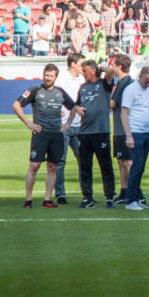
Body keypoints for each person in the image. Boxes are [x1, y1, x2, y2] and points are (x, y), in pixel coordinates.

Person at [13, 64, 78, 208]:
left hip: (56, 134)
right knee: (34, 165)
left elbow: (74, 107)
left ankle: (47, 200)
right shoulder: (35, 90)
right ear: (43, 75)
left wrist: (67, 123)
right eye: (46, 75)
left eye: (51, 76)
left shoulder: (60, 92)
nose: (48, 78)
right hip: (40, 134)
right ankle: (28, 199)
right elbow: (16, 105)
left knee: (52, 167)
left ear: (55, 77)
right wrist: (28, 123)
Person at [64, 60, 116, 209]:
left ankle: (109, 197)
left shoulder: (105, 84)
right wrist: (78, 109)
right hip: (84, 133)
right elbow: (77, 105)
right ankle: (87, 197)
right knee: (85, 167)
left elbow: (111, 71)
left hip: (101, 132)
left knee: (105, 166)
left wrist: (100, 67)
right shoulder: (83, 87)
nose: (83, 73)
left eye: (85, 70)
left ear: (93, 71)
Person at [121, 66, 149, 211]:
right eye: (145, 81)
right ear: (140, 76)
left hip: (146, 132)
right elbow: (124, 112)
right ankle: (130, 201)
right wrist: (128, 135)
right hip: (135, 132)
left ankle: (136, 198)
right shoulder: (130, 89)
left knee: (141, 168)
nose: (147, 84)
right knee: (136, 166)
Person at [54, 53, 85, 205]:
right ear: (73, 64)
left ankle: (86, 193)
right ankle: (60, 193)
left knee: (83, 160)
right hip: (63, 125)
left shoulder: (81, 79)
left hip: (79, 125)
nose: (82, 67)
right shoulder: (61, 79)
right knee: (60, 161)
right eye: (81, 64)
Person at [110, 54, 134, 205]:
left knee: (127, 162)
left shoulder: (124, 82)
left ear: (119, 66)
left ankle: (133, 191)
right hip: (119, 127)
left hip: (124, 128)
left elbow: (112, 104)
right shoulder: (122, 82)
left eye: (113, 65)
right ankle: (124, 191)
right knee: (121, 160)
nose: (111, 68)